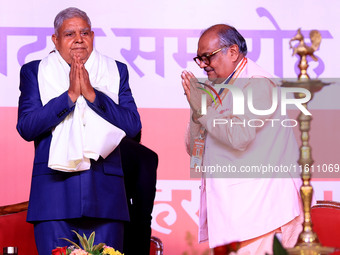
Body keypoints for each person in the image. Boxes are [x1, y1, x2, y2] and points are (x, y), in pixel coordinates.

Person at [16, 7, 141, 254]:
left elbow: (132, 127)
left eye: (85, 32)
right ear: (55, 40)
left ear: (93, 36)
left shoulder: (116, 70)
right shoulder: (34, 71)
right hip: (54, 197)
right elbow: (27, 127)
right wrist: (70, 96)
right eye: (69, 34)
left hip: (106, 199)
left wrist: (93, 96)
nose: (78, 39)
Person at [181, 24, 303, 254]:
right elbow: (194, 150)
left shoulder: (258, 83)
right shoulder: (216, 87)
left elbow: (239, 137)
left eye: (208, 57)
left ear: (233, 52)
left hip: (263, 212)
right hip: (235, 214)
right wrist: (197, 110)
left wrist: (204, 110)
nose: (204, 64)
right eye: (200, 59)